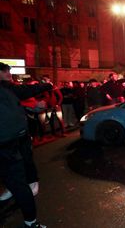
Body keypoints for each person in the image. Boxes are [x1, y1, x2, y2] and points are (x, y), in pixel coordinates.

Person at [0, 62, 50, 228]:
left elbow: (25, 93)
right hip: (9, 139)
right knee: (17, 176)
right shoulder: (8, 89)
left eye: (9, 70)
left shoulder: (9, 88)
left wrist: (42, 89)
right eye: (5, 70)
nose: (9, 73)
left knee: (22, 166)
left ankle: (29, 183)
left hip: (13, 139)